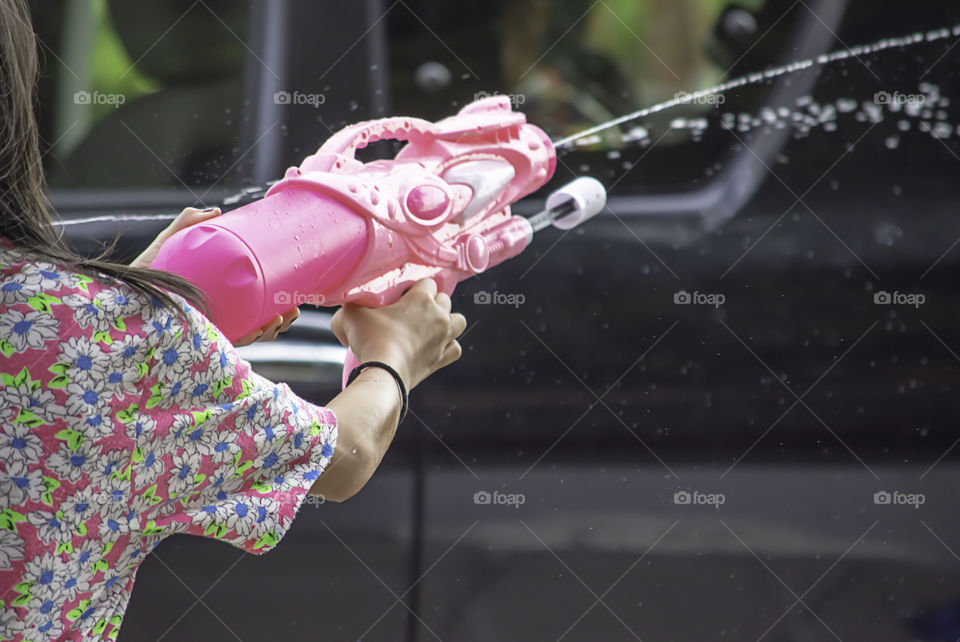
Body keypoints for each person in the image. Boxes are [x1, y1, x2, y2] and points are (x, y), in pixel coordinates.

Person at [0, 0, 466, 639]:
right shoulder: (82, 330)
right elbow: (343, 457)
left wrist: (137, 312)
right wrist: (397, 356)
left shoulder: (93, 331)